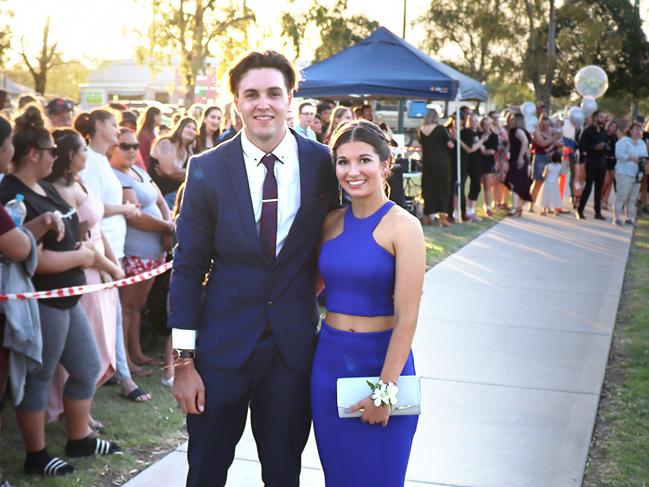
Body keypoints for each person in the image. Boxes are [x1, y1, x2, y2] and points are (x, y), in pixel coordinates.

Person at [168, 50, 339, 487]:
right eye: (251, 94)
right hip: (219, 350)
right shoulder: (206, 169)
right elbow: (187, 268)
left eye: (273, 93)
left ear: (290, 98)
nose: (263, 103)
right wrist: (184, 361)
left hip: (291, 351)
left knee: (283, 472)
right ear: (236, 102)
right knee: (205, 470)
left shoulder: (324, 165)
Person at [0, 106, 120, 477]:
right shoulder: (10, 192)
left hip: (69, 296)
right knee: (39, 375)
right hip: (42, 300)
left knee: (86, 366)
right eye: (52, 149)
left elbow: (65, 230)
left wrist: (82, 247)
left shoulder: (46, 186)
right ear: (34, 153)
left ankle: (78, 437)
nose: (57, 155)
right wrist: (82, 256)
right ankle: (36, 455)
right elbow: (28, 257)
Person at [313, 119, 425, 486]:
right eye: (343, 162)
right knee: (339, 477)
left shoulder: (403, 226)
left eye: (364, 160)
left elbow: (407, 318)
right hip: (328, 363)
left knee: (380, 478)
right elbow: (307, 291)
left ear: (385, 164)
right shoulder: (329, 222)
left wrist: (385, 391)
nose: (353, 171)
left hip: (383, 363)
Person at [45, 128, 125, 430]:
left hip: (101, 267)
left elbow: (98, 227)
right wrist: (107, 264)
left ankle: (83, 410)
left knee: (100, 343)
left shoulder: (79, 181)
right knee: (83, 346)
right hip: (85, 272)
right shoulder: (58, 191)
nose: (86, 156)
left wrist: (114, 264)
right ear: (70, 156)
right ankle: (69, 413)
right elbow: (76, 241)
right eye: (82, 151)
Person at [74, 109, 151, 401]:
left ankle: (119, 375)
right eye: (112, 124)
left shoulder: (104, 161)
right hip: (100, 250)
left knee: (114, 314)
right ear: (96, 127)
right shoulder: (90, 163)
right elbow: (93, 209)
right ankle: (119, 378)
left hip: (114, 247)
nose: (118, 129)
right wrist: (126, 210)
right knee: (104, 317)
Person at [111, 128, 174, 369]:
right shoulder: (115, 175)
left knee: (138, 307)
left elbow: (159, 199)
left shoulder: (138, 170)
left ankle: (137, 353)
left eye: (135, 146)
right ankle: (125, 359)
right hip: (134, 252)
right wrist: (166, 227)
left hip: (154, 253)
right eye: (124, 146)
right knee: (127, 307)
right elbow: (134, 217)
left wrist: (167, 225)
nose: (131, 151)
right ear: (113, 148)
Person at [149, 116, 197, 208]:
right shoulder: (165, 143)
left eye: (194, 129)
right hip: (159, 196)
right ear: (179, 128)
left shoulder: (189, 152)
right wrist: (186, 173)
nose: (190, 130)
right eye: (187, 126)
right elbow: (170, 171)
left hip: (175, 197)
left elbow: (190, 178)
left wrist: (177, 173)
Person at [418, 109, 453, 227]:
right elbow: (450, 145)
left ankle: (427, 215)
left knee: (428, 187)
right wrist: (453, 137)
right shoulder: (441, 129)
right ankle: (443, 217)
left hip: (427, 162)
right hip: (441, 162)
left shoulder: (422, 130)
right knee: (443, 187)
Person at [614, 122, 648, 225]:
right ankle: (617, 218)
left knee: (633, 198)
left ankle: (629, 218)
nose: (639, 131)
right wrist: (632, 158)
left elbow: (645, 156)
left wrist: (643, 161)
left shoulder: (642, 143)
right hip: (624, 172)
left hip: (637, 174)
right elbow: (619, 155)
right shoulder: (623, 141)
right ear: (630, 130)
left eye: (640, 130)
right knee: (622, 196)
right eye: (636, 129)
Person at [577, 110, 608, 220]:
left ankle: (597, 212)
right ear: (595, 118)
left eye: (603, 116)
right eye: (600, 116)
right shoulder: (588, 131)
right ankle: (580, 210)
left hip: (602, 162)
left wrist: (604, 147)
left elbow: (607, 144)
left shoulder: (604, 131)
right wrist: (594, 147)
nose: (602, 118)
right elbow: (582, 146)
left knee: (599, 188)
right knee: (588, 186)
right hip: (591, 161)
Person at [505, 112, 532, 216]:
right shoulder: (515, 131)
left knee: (515, 182)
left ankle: (516, 207)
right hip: (515, 158)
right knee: (515, 182)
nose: (510, 120)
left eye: (512, 119)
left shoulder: (518, 130)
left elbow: (525, 142)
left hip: (518, 159)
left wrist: (520, 157)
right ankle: (518, 206)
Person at [459, 113, 485, 222]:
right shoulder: (467, 132)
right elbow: (470, 149)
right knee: (472, 186)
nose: (474, 123)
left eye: (476, 120)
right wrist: (482, 140)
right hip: (469, 162)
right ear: (469, 121)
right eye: (472, 120)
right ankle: (467, 212)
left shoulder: (477, 132)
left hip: (477, 162)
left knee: (476, 187)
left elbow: (481, 148)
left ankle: (471, 211)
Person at [529, 115, 557, 211]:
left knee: (549, 183)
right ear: (540, 124)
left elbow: (558, 142)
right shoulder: (536, 132)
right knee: (538, 181)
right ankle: (531, 205)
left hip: (550, 158)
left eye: (547, 125)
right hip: (540, 158)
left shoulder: (551, 131)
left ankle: (547, 206)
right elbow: (542, 143)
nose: (546, 127)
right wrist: (554, 139)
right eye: (544, 125)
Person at [479, 116, 499, 216]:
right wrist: (482, 146)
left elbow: (491, 151)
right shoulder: (479, 135)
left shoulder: (494, 136)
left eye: (488, 124)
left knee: (487, 185)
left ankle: (488, 207)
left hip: (488, 163)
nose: (486, 126)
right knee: (476, 186)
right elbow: (480, 149)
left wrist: (482, 150)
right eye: (484, 125)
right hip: (477, 162)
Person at [537, 151, 563, 215]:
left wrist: (543, 175)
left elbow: (545, 175)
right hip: (555, 184)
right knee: (555, 197)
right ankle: (556, 211)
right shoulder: (560, 166)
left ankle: (544, 210)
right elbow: (560, 175)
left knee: (546, 196)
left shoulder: (548, 166)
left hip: (548, 183)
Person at [136, 106, 162, 170]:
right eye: (160, 116)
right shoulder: (145, 134)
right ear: (155, 117)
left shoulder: (154, 131)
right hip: (147, 168)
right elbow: (143, 154)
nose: (161, 119)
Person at [601, 121, 618, 211]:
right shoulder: (604, 135)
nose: (613, 128)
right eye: (612, 126)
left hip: (613, 161)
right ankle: (599, 197)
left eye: (615, 127)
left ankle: (605, 200)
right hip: (605, 160)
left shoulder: (615, 137)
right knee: (606, 180)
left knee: (611, 181)